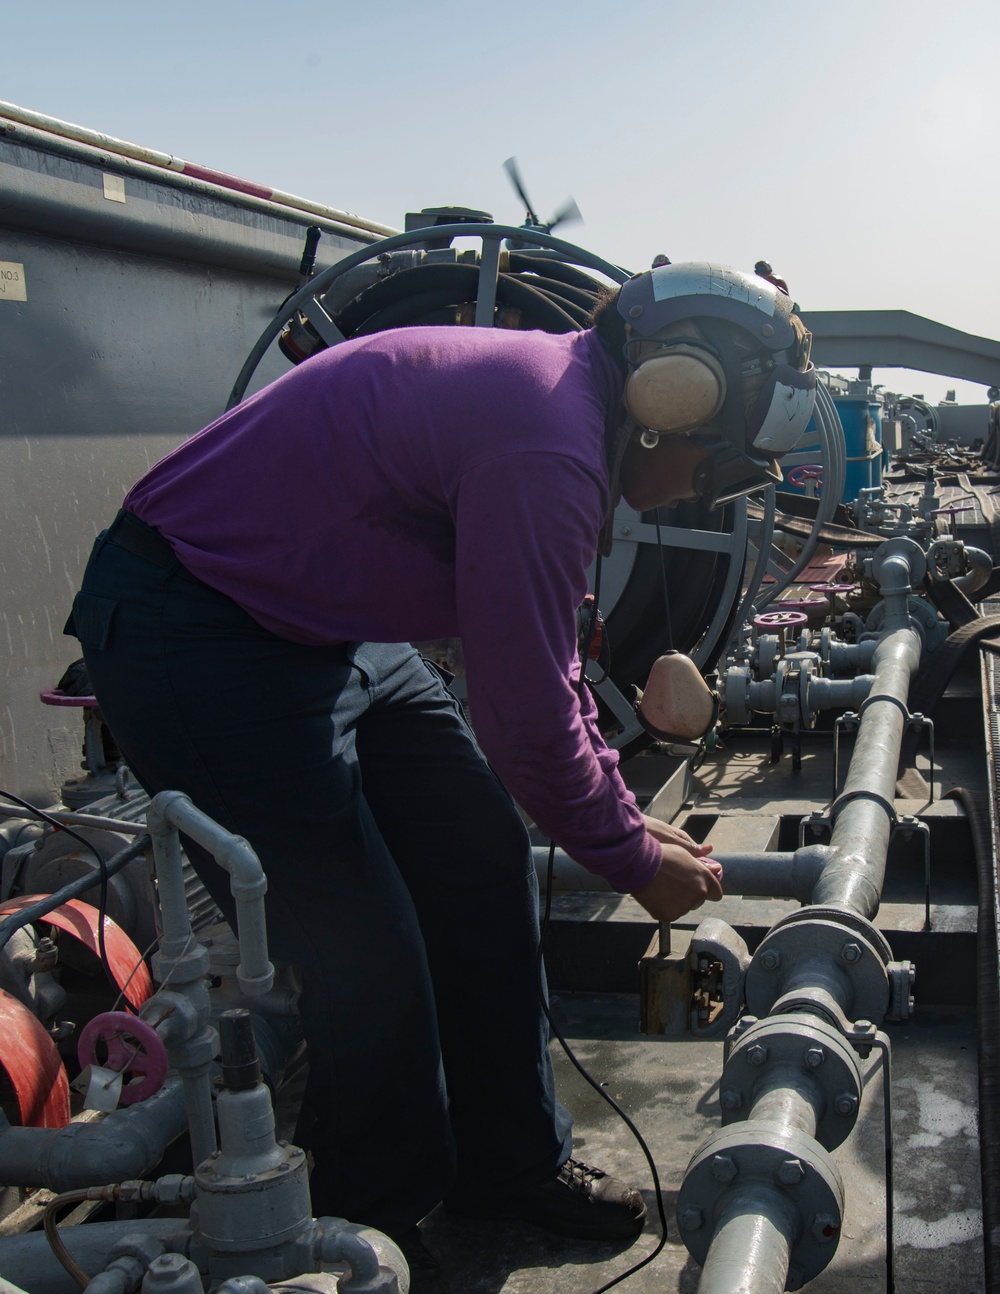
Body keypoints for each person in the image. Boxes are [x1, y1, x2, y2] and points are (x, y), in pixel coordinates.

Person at [65, 259, 814, 1288]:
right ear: (665, 403)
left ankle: (506, 1167)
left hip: (324, 631)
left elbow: (544, 663)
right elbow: (525, 723)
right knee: (365, 946)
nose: (699, 486)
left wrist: (626, 830)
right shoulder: (545, 441)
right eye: (710, 462)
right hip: (195, 624)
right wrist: (630, 856)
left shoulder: (566, 407)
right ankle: (365, 1224)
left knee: (476, 848)